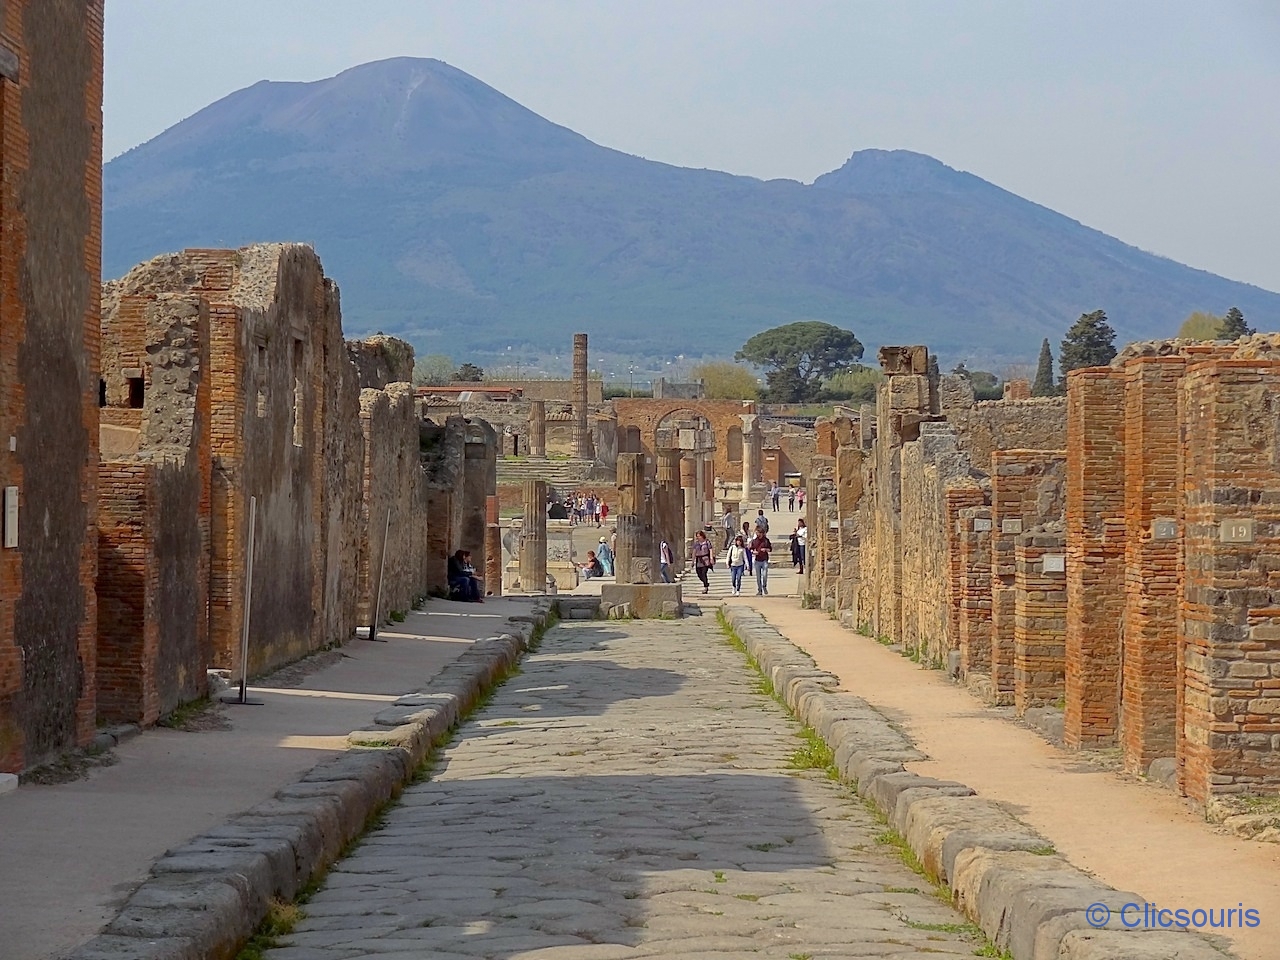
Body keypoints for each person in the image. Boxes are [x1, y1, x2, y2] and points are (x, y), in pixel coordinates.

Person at [749, 529, 772, 596]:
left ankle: (764, 586)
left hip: (764, 560)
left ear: (762, 533)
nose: (758, 534)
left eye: (759, 533)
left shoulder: (766, 540)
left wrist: (766, 549)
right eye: (757, 533)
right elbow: (751, 549)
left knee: (764, 575)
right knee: (758, 577)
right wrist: (753, 552)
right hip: (757, 560)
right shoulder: (754, 541)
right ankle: (759, 590)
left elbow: (770, 549)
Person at [691, 530, 714, 595]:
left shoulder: (707, 542)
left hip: (705, 560)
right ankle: (706, 583)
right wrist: (692, 561)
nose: (698, 537)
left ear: (702, 536)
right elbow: (694, 552)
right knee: (699, 574)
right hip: (698, 560)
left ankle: (705, 587)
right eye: (697, 536)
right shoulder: (696, 544)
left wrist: (711, 558)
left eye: (699, 536)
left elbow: (710, 550)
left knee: (704, 573)